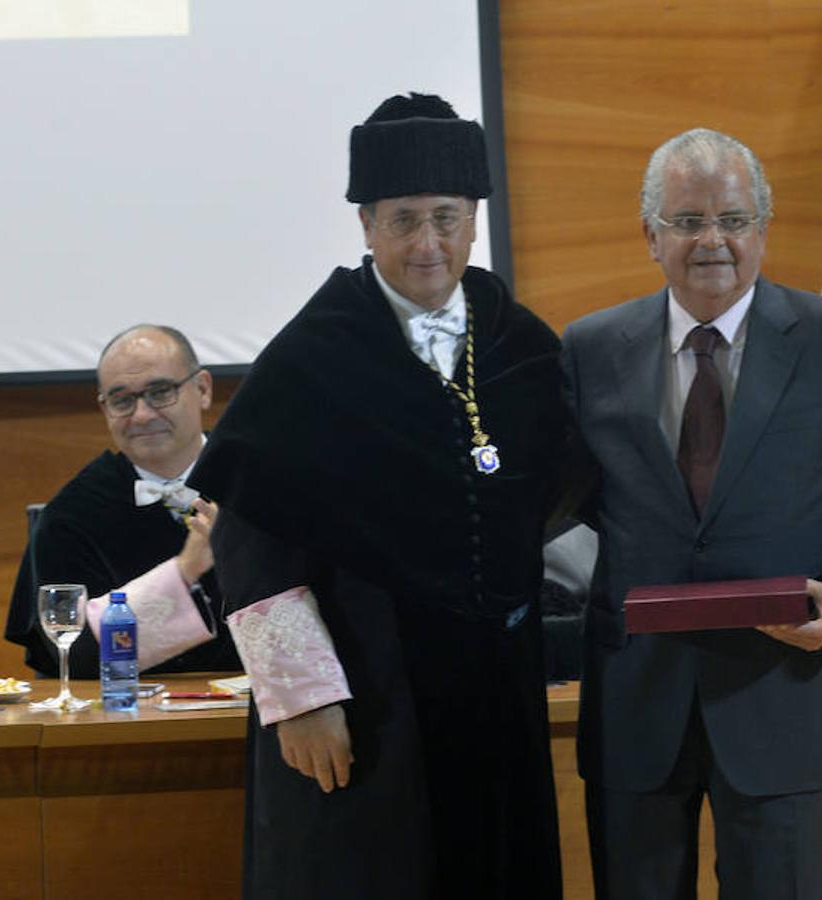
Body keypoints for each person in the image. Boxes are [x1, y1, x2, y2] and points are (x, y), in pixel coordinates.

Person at [188, 93, 566, 899]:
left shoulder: (522, 343)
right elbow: (249, 537)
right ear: (365, 225)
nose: (428, 243)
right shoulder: (312, 358)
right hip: (365, 693)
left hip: (497, 694)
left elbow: (559, 499)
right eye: (403, 220)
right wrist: (298, 701)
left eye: (447, 217)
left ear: (474, 221)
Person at [561, 128, 822, 899]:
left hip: (780, 696)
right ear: (650, 234)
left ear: (763, 226)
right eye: (688, 222)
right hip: (636, 706)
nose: (713, 241)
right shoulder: (590, 348)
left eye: (733, 219)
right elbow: (563, 502)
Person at [4, 325, 240, 677]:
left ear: (203, 389)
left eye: (160, 392)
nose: (142, 415)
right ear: (104, 407)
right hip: (128, 720)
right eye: (122, 400)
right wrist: (185, 569)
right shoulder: (71, 515)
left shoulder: (259, 484)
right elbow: (71, 659)